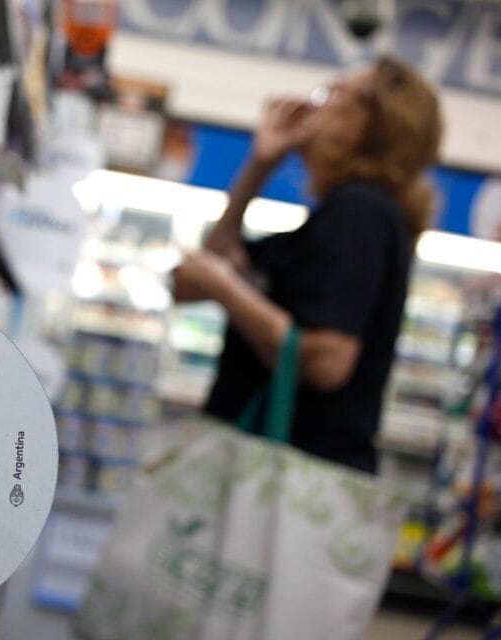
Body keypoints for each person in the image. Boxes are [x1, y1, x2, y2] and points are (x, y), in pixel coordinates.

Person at [170, 54, 443, 474]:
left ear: (371, 122)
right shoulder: (344, 216)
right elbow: (209, 264)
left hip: (291, 473)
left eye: (333, 93)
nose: (313, 103)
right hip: (280, 473)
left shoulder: (359, 212)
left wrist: (223, 287)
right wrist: (261, 164)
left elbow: (327, 362)